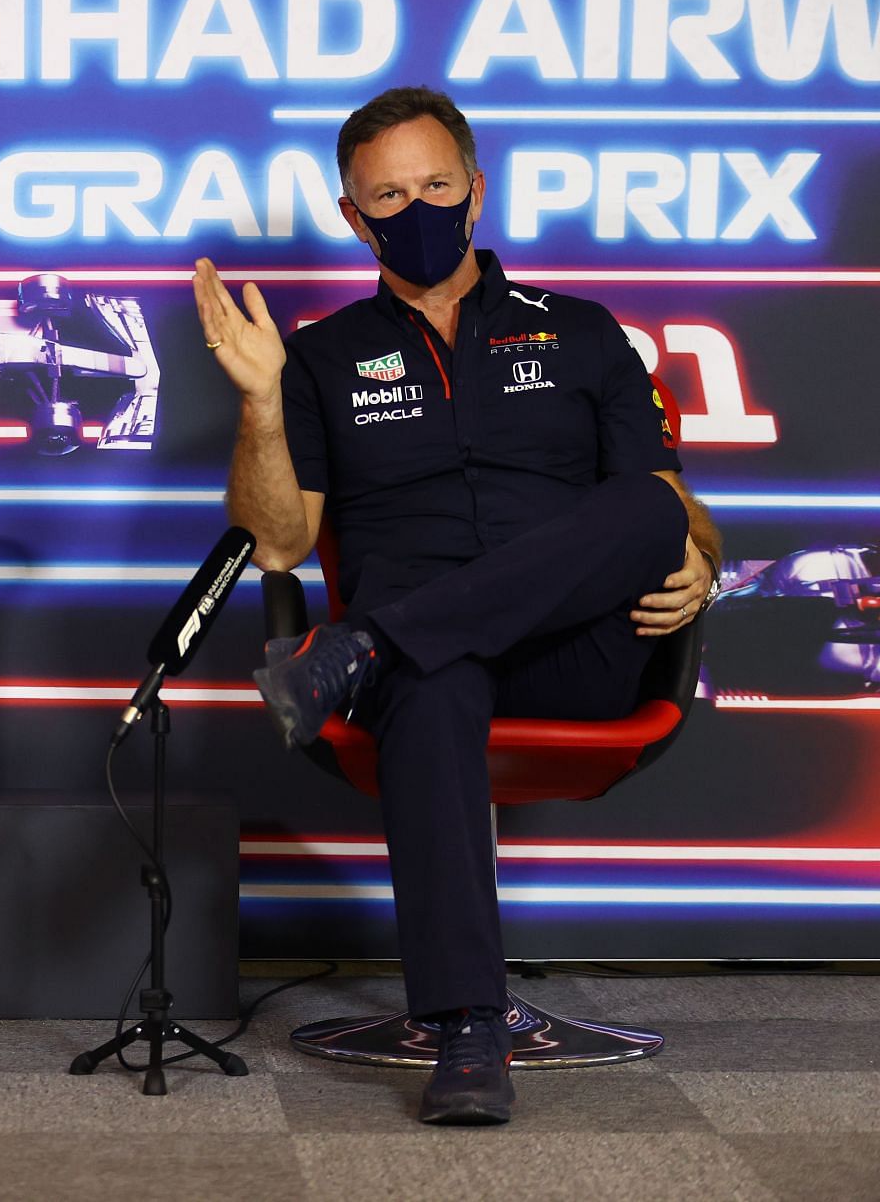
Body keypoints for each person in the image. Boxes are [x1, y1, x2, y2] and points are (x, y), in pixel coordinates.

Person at [197, 86, 720, 1126]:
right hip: (425, 672)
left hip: (574, 650)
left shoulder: (580, 331)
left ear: (476, 192)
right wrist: (261, 402)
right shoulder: (323, 356)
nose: (417, 207)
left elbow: (669, 510)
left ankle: (364, 647)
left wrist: (702, 552)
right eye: (389, 194)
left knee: (649, 513)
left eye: (437, 184)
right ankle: (468, 1028)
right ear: (354, 218)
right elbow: (278, 542)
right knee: (435, 682)